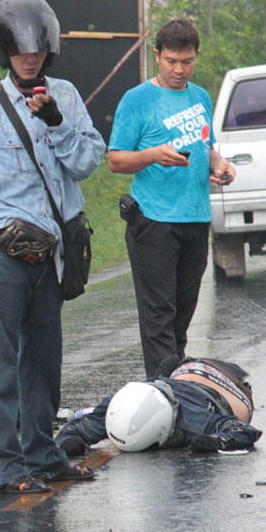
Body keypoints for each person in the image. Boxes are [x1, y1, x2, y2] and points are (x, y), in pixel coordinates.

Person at [0, 0, 106, 494]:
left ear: (49, 49)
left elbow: (89, 161)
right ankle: (6, 467)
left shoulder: (68, 97)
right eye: (19, 52)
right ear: (5, 52)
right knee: (0, 362)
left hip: (54, 251)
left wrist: (57, 123)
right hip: (5, 249)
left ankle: (43, 453)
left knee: (44, 361)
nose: (28, 60)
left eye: (35, 52)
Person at [107, 19, 236, 378]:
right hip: (154, 221)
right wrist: (153, 155)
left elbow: (206, 147)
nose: (180, 70)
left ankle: (176, 390)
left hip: (195, 217)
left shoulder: (200, 97)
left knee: (182, 315)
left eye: (187, 61)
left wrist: (219, 164)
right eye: (171, 61)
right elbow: (115, 159)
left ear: (196, 58)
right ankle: (164, 393)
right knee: (159, 318)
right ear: (156, 57)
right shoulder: (137, 100)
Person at [55, 356, 262, 455]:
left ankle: (175, 369)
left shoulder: (195, 420)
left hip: (228, 383)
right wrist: (69, 442)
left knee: (239, 413)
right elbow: (77, 428)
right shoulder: (118, 406)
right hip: (173, 378)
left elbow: (247, 431)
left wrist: (216, 441)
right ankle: (171, 371)